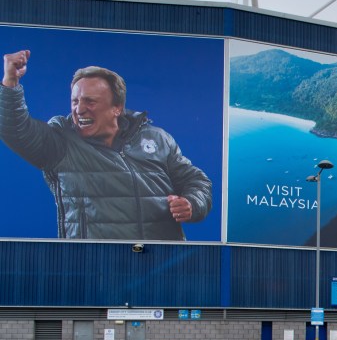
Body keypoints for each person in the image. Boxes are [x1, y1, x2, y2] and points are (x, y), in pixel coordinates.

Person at [0, 49, 212, 240]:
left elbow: (197, 181)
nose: (79, 109)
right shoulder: (61, 142)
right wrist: (10, 83)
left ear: (117, 108)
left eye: (90, 101)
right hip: (94, 266)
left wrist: (192, 203)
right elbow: (16, 130)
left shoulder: (157, 139)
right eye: (75, 101)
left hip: (159, 265)